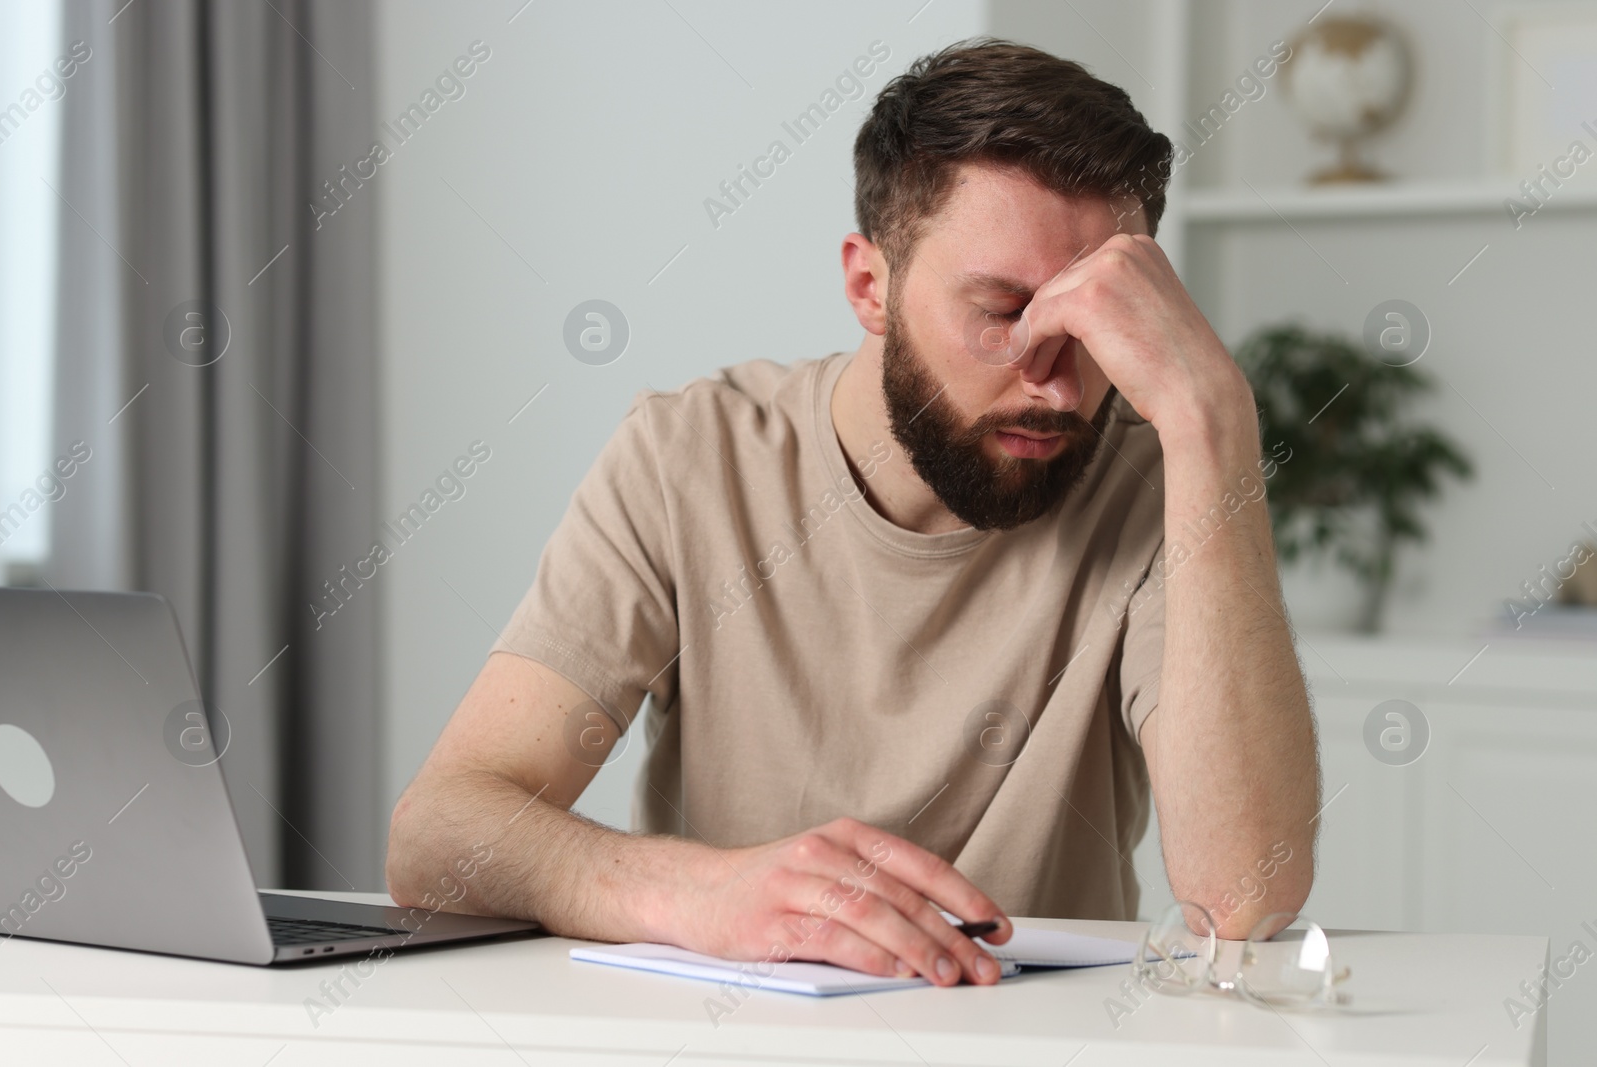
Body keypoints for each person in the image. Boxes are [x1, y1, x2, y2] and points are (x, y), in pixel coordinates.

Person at [387, 38, 1319, 988]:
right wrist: (697, 892)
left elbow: (1245, 899)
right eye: (1004, 311)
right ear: (869, 285)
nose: (1054, 383)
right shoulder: (689, 457)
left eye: (1092, 321)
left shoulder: (1165, 477)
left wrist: (1214, 419)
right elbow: (441, 832)